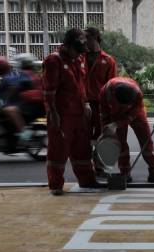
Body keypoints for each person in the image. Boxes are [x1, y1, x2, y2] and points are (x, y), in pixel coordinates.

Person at [42, 28, 101, 196]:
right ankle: (56, 185)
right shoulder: (53, 61)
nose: (79, 54)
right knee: (59, 150)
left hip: (79, 112)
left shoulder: (79, 59)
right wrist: (54, 115)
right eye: (76, 50)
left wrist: (87, 104)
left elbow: (81, 86)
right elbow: (49, 91)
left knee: (82, 149)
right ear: (66, 45)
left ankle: (87, 180)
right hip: (62, 114)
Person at [99, 77, 154, 183]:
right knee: (120, 144)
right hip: (115, 115)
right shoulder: (105, 91)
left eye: (126, 105)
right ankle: (125, 172)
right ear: (115, 96)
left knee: (146, 139)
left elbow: (131, 116)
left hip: (136, 113)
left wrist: (116, 125)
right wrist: (105, 131)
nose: (124, 107)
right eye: (122, 104)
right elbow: (104, 113)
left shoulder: (137, 94)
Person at [83, 26, 118, 176]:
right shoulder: (79, 58)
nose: (83, 40)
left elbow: (112, 85)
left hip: (100, 106)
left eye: (85, 37)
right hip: (82, 104)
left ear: (94, 37)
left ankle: (99, 166)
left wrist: (111, 109)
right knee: (83, 137)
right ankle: (84, 167)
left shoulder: (108, 61)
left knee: (101, 137)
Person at [5, 53, 46, 145]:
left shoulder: (23, 74)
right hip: (37, 105)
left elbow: (13, 87)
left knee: (10, 110)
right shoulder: (32, 74)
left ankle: (24, 132)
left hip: (30, 107)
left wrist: (7, 93)